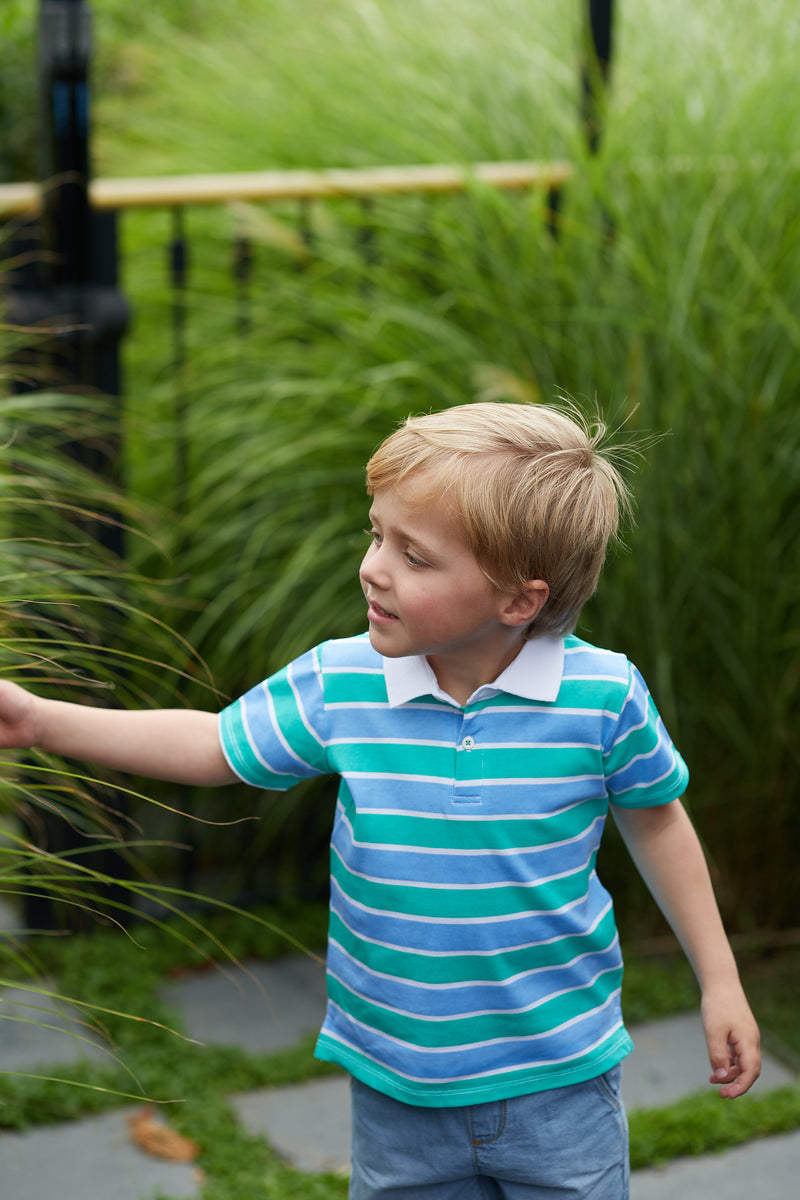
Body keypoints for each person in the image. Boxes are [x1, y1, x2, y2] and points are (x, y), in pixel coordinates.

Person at [0, 401, 760, 1199]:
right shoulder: (344, 681)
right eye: (377, 534)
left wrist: (720, 979)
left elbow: (657, 818)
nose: (373, 566)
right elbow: (215, 746)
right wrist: (42, 719)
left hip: (560, 1082)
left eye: (416, 556)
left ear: (517, 601)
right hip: (398, 1089)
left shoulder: (603, 698)